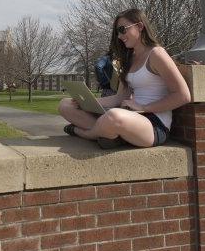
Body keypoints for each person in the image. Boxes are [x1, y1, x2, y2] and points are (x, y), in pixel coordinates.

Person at [58, 8, 191, 148]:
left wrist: (144, 107)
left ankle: (86, 133)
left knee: (114, 117)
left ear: (140, 26)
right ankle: (110, 134)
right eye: (117, 32)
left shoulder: (156, 54)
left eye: (122, 29)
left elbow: (183, 95)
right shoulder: (128, 59)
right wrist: (87, 102)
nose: (119, 36)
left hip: (153, 124)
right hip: (129, 115)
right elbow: (119, 98)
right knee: (66, 105)